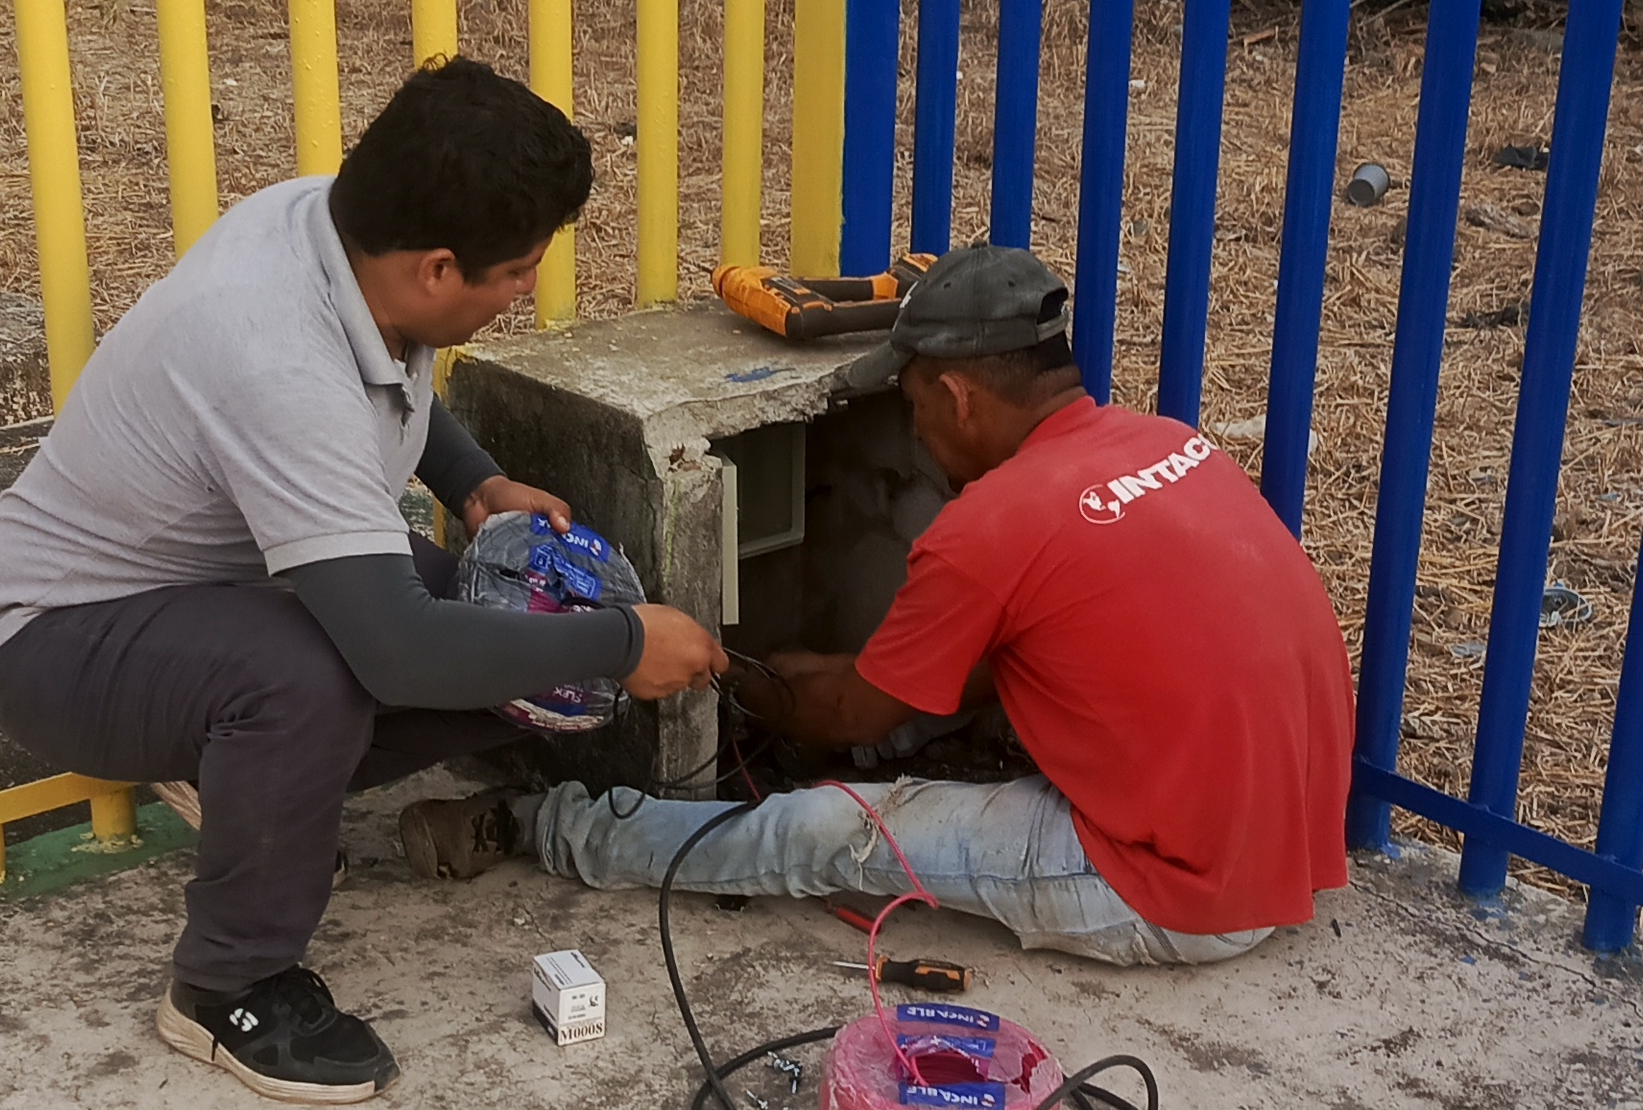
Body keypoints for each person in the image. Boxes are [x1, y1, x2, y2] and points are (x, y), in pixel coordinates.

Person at [0, 59, 723, 1103]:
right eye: (516, 273)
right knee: (314, 679)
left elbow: (387, 374)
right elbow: (397, 652)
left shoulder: (340, 231)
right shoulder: (272, 350)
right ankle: (226, 986)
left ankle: (251, 789)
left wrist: (473, 480)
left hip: (206, 590)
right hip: (56, 639)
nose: (525, 293)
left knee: (515, 641)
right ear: (438, 268)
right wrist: (627, 643)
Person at [400, 242, 1354, 965]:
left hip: (1183, 892)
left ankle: (549, 824)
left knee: (826, 829)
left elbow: (847, 710)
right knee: (960, 698)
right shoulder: (1165, 443)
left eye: (913, 403)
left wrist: (733, 673)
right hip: (1286, 843)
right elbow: (1012, 662)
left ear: (959, 396)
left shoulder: (993, 525)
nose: (915, 429)